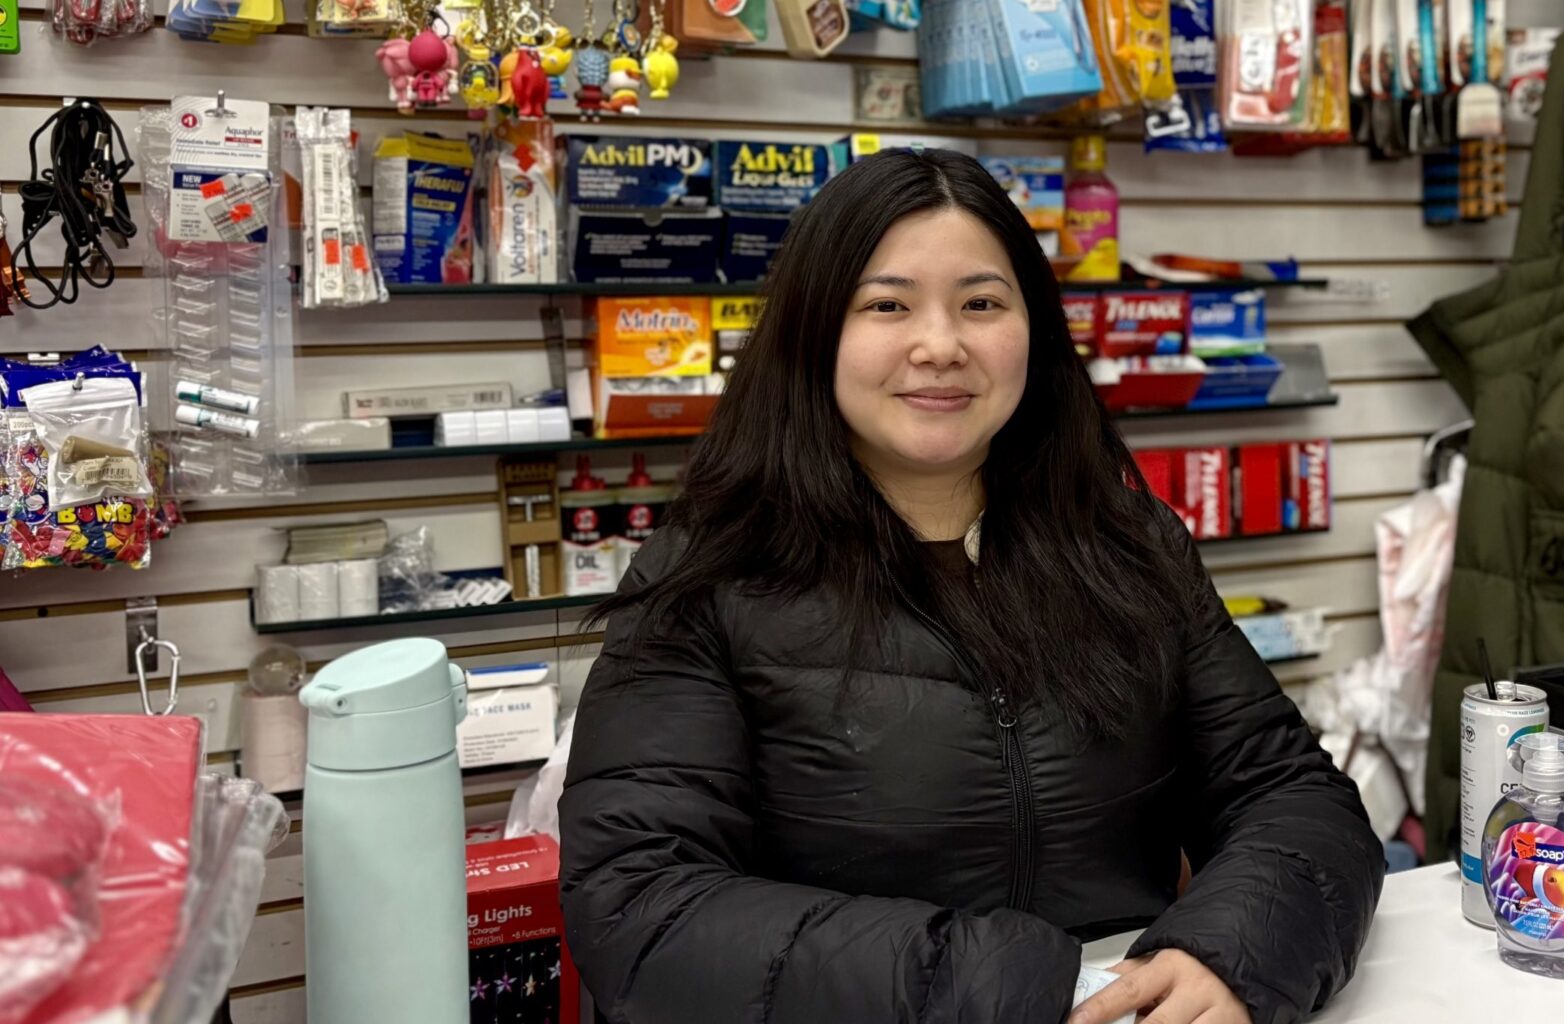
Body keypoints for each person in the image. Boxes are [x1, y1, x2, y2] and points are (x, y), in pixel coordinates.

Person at [558, 148, 1384, 1024]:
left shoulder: (1129, 545)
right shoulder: (706, 575)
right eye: (887, 304)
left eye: (982, 304)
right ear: (813, 333)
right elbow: (641, 909)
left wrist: (1230, 954)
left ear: (1034, 329)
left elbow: (1291, 796)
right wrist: (1000, 989)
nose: (941, 346)